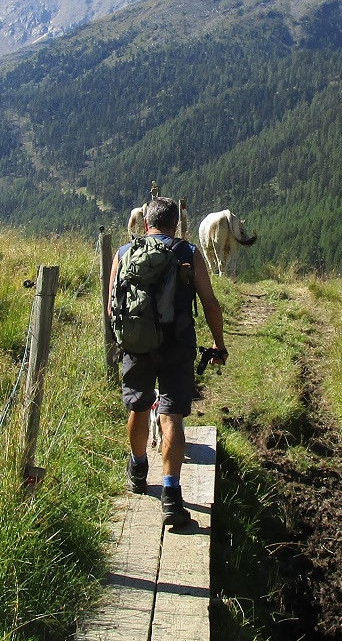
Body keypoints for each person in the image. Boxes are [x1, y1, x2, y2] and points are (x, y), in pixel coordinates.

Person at [109, 196, 227, 526]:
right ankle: (172, 497)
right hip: (177, 345)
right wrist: (219, 344)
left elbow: (111, 308)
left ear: (145, 223)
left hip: (137, 345)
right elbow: (210, 303)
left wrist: (129, 339)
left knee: (138, 407)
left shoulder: (123, 254)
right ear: (175, 224)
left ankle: (138, 468)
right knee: (171, 414)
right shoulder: (188, 253)